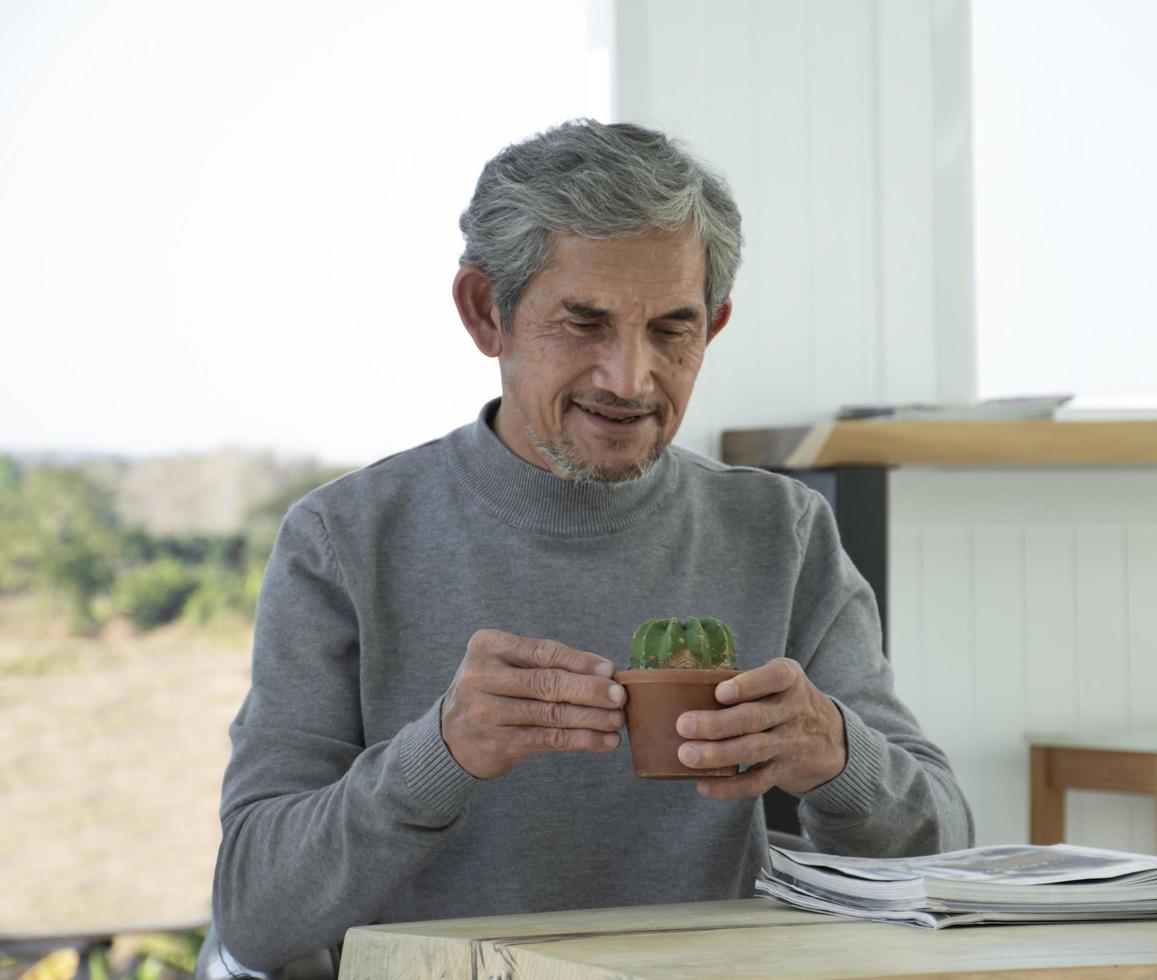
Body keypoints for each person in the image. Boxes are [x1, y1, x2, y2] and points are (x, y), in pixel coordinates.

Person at [209, 119, 973, 973]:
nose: (630, 379)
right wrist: (442, 755)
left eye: (671, 330)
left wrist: (837, 755)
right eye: (584, 324)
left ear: (713, 327)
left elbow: (945, 850)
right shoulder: (343, 540)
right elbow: (254, 913)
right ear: (483, 312)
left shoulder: (782, 533)